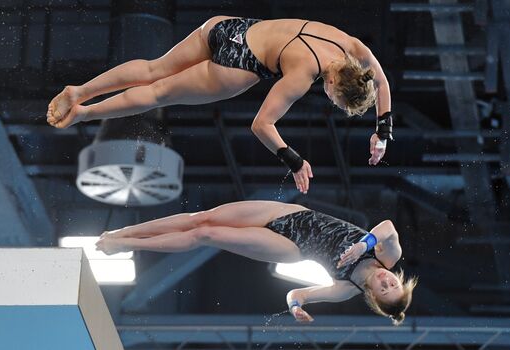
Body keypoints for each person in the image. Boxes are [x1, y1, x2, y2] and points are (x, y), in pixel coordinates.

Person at [47, 16, 394, 194]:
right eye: (334, 99)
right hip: (239, 64)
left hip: (229, 27)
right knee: (157, 94)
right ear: (333, 83)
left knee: (154, 68)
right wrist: (293, 159)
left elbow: (382, 82)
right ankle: (85, 113)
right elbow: (261, 125)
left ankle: (79, 91)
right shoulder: (303, 73)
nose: (329, 98)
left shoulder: (351, 44)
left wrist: (382, 131)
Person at [95, 200, 417, 324]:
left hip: (290, 247)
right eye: (394, 283)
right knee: (202, 216)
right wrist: (364, 242)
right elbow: (387, 228)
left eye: (386, 290)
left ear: (374, 297)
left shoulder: (346, 289)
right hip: (292, 214)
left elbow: (297, 295)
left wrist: (296, 309)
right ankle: (123, 231)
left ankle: (124, 244)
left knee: (207, 234)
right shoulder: (387, 256)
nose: (389, 282)